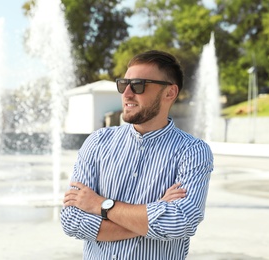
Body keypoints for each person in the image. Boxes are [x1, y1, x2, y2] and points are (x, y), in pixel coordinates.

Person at [61, 50, 213, 259]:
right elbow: (72, 221)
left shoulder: (193, 151)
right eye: (124, 84)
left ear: (169, 92)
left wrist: (101, 205)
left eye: (139, 85)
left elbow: (180, 223)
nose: (126, 94)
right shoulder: (97, 143)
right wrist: (156, 210)